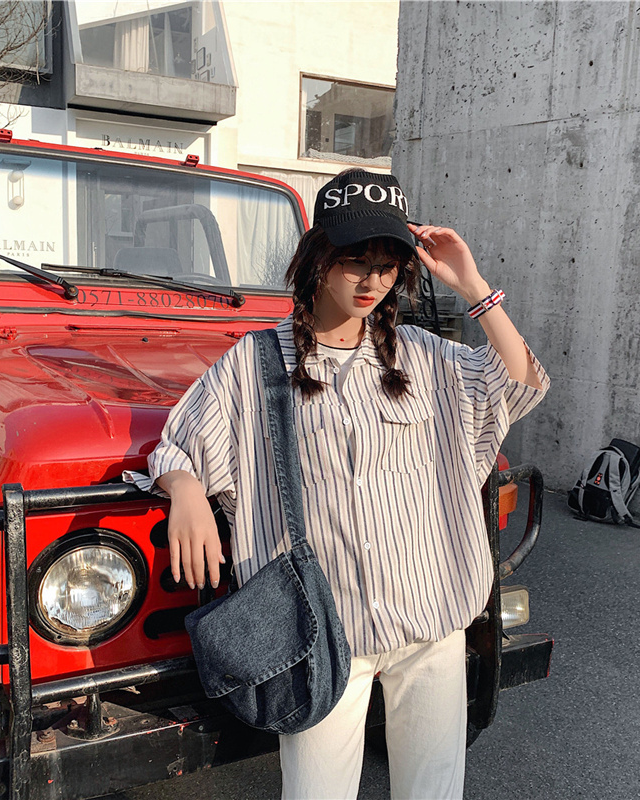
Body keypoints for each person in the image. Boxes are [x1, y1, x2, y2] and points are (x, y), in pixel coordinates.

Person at [129, 169, 549, 799]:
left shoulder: (425, 357)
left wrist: (473, 285)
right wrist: (185, 489)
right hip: (325, 630)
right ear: (318, 257)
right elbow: (180, 443)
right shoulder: (258, 363)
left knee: (432, 792)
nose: (373, 281)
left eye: (388, 265)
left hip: (430, 617)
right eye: (356, 260)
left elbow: (517, 383)